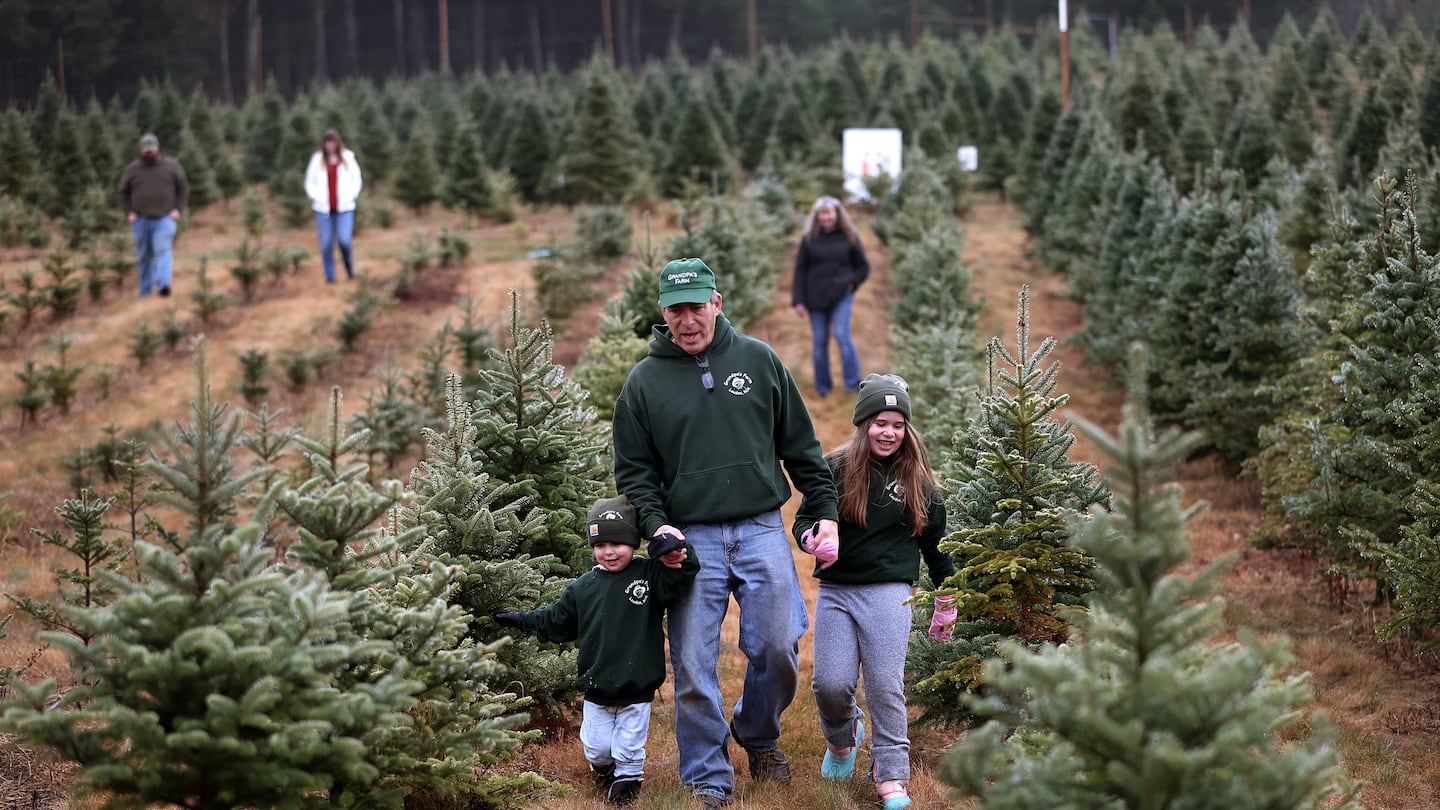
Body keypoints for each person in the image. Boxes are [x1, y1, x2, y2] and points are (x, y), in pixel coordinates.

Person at [612, 257, 841, 808]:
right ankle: (708, 777)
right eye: (675, 309)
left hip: (761, 526)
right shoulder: (644, 383)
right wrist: (657, 525)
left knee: (780, 646)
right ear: (663, 313)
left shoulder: (758, 361)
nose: (687, 320)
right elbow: (635, 474)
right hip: (690, 538)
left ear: (717, 302)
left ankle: (758, 734)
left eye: (696, 306)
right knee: (692, 663)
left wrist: (825, 507)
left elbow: (802, 449)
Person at [793, 373, 957, 810]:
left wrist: (947, 598)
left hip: (889, 592)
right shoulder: (836, 468)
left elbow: (937, 547)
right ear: (863, 424)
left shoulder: (919, 480)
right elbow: (803, 520)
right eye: (880, 423)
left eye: (897, 424)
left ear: (907, 429)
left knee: (885, 686)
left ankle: (892, 777)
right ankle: (844, 741)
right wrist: (812, 539)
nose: (889, 432)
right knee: (830, 684)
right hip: (837, 592)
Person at [493, 495, 697, 806]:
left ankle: (628, 781)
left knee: (629, 746)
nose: (609, 552)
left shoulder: (649, 575)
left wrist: (675, 549)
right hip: (596, 685)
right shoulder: (583, 587)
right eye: (600, 545)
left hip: (636, 685)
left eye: (617, 543)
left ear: (632, 543)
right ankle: (605, 770)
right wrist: (521, 619)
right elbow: (554, 619)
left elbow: (683, 571)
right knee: (597, 749)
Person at [791, 196, 870, 397]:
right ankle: (823, 387)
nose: (826, 217)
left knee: (842, 334)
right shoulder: (809, 239)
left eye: (829, 213)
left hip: (841, 294)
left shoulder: (849, 236)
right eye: (822, 214)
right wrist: (798, 300)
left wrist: (852, 284)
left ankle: (853, 384)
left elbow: (863, 266)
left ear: (837, 214)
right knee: (820, 340)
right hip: (815, 297)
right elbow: (800, 270)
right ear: (817, 216)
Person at [118, 133, 188, 297]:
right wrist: (129, 212)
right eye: (146, 151)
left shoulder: (171, 166)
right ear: (141, 150)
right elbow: (123, 192)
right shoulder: (133, 169)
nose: (149, 153)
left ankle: (163, 285)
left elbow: (183, 188)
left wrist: (178, 208)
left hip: (164, 218)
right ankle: (145, 291)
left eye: (152, 150)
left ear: (157, 148)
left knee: (163, 251)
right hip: (140, 220)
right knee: (144, 257)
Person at [303, 127, 363, 283]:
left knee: (344, 240)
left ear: (337, 142)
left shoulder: (348, 158)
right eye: (327, 142)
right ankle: (330, 276)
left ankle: (349, 268)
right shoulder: (317, 160)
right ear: (323, 144)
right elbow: (309, 182)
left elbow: (357, 179)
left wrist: (351, 195)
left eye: (332, 142)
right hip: (323, 210)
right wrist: (317, 197)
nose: (330, 145)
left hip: (345, 208)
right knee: (326, 243)